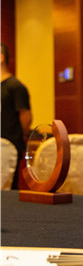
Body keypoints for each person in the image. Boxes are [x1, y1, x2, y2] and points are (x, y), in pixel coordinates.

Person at [1, 42, 32, 189]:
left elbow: (26, 117)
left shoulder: (15, 86)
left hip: (10, 147)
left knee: (8, 189)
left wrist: (21, 136)